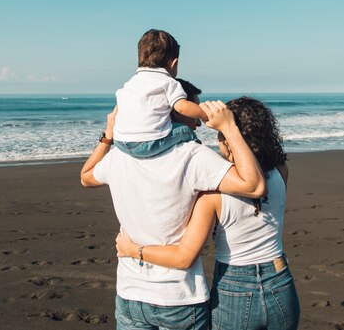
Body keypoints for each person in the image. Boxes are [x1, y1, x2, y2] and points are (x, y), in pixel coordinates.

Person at [81, 82, 266, 330]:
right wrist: (229, 128)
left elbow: (86, 176)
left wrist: (109, 135)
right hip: (179, 298)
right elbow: (253, 185)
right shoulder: (193, 156)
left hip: (131, 293)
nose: (199, 121)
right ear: (177, 110)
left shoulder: (120, 156)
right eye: (194, 110)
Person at [116, 97, 301, 330]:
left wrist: (134, 250)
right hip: (281, 281)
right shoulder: (280, 171)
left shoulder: (213, 195)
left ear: (228, 138)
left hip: (235, 289)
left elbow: (184, 257)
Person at [113, 29, 208, 158]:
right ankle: (196, 156)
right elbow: (181, 106)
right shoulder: (168, 82)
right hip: (148, 142)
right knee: (186, 131)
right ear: (174, 63)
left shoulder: (130, 83)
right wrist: (206, 114)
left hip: (119, 141)